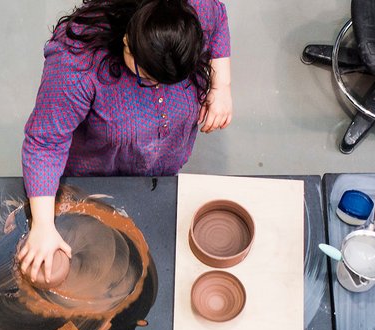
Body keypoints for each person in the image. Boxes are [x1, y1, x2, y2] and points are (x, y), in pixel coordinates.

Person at [18, 0, 232, 284]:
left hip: (161, 164)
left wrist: (221, 86)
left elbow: (217, 20)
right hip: (98, 172)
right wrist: (43, 226)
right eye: (147, 77)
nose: (157, 87)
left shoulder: (192, 9)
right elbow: (46, 142)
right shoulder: (78, 62)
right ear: (127, 42)